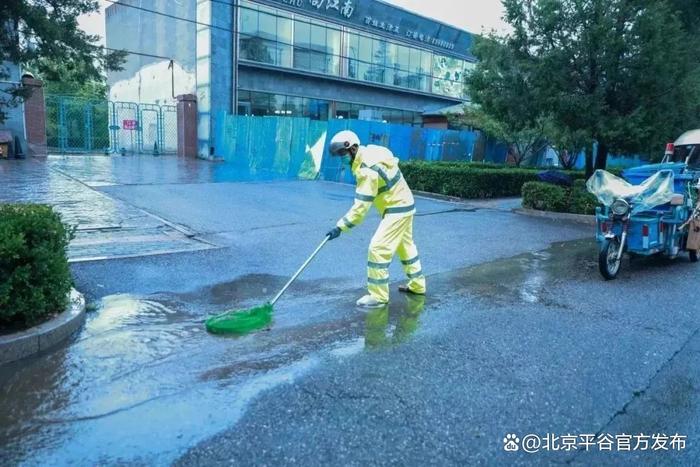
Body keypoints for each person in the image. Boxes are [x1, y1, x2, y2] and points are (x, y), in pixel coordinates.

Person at [326, 130, 426, 308]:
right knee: (406, 246)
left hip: (397, 208)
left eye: (342, 153)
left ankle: (378, 296)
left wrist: (340, 227)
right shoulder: (370, 152)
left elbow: (361, 207)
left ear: (354, 148)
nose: (341, 158)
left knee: (378, 248)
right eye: (338, 154)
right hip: (405, 202)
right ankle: (418, 286)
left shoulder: (366, 170)